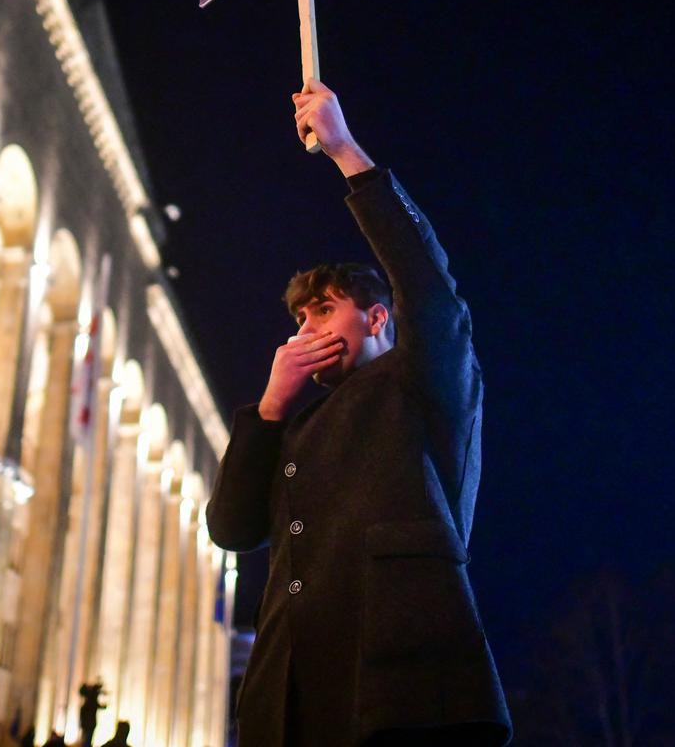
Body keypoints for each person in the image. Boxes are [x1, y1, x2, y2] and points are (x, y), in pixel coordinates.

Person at [206, 80, 511, 746]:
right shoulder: (296, 423)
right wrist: (268, 407)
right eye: (298, 316)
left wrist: (346, 153)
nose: (306, 326)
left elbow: (428, 286)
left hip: (401, 687)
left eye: (323, 309)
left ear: (376, 317)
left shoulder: (418, 380)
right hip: (294, 702)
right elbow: (231, 530)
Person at [75, 682, 106, 746]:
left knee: (86, 738)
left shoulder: (87, 705)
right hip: (89, 724)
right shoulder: (91, 704)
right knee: (87, 739)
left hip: (87, 724)